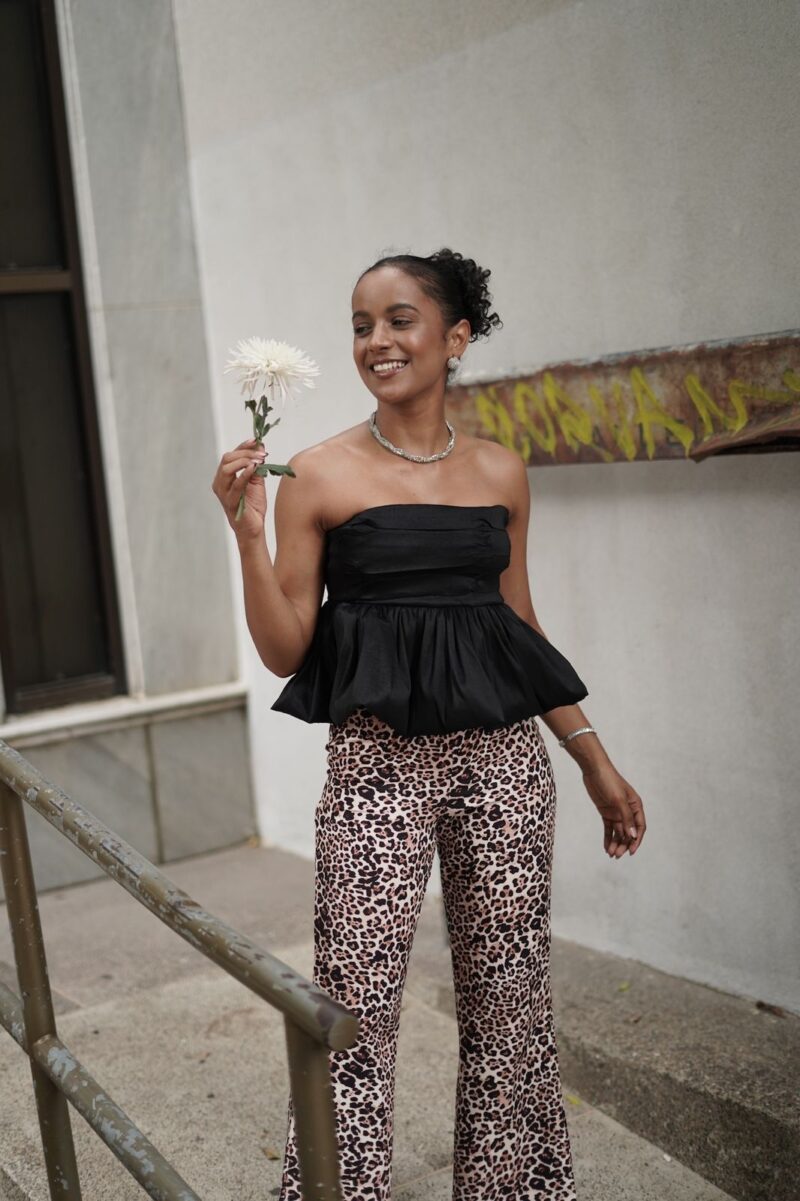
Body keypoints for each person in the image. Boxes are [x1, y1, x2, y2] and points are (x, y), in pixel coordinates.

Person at [211, 248, 646, 1201]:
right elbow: (286, 649)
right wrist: (248, 537)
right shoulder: (318, 472)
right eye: (361, 325)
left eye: (399, 320)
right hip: (377, 770)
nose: (377, 340)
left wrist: (592, 758)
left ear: (455, 338)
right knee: (350, 1009)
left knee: (511, 1007)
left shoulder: (500, 471)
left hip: (506, 766)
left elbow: (518, 627)